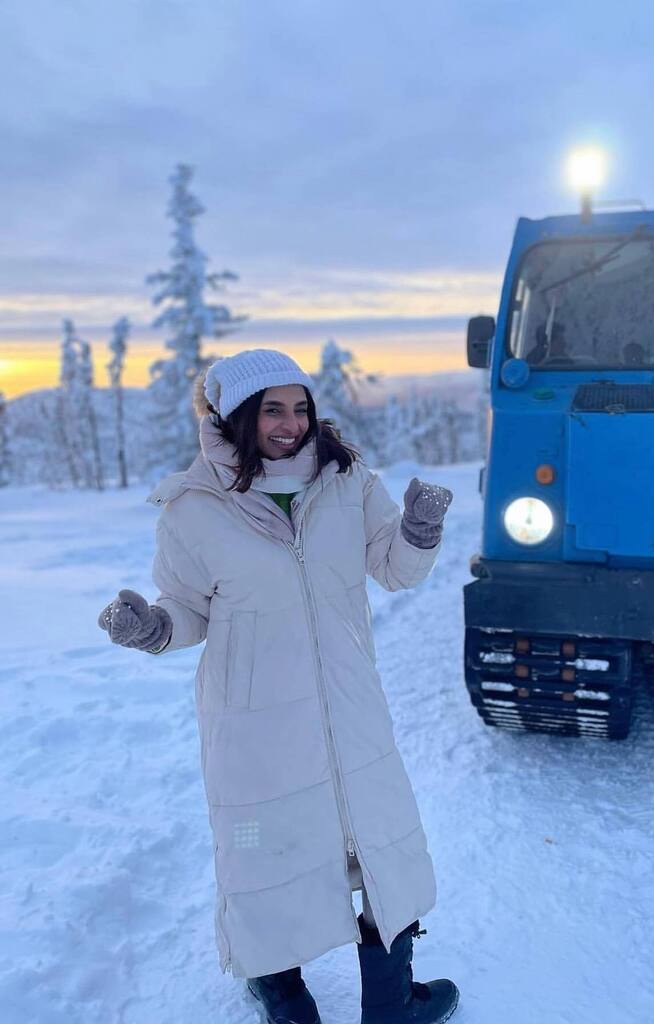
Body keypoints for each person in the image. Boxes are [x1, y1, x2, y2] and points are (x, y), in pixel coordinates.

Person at [97, 349, 459, 1024]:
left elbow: (395, 569)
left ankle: (390, 1002)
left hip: (347, 704)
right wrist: (153, 627)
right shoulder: (193, 508)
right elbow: (188, 607)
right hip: (254, 721)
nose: (291, 423)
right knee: (262, 854)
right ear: (236, 417)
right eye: (272, 409)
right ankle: (285, 998)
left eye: (300, 407)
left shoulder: (347, 482)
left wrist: (416, 532)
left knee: (377, 840)